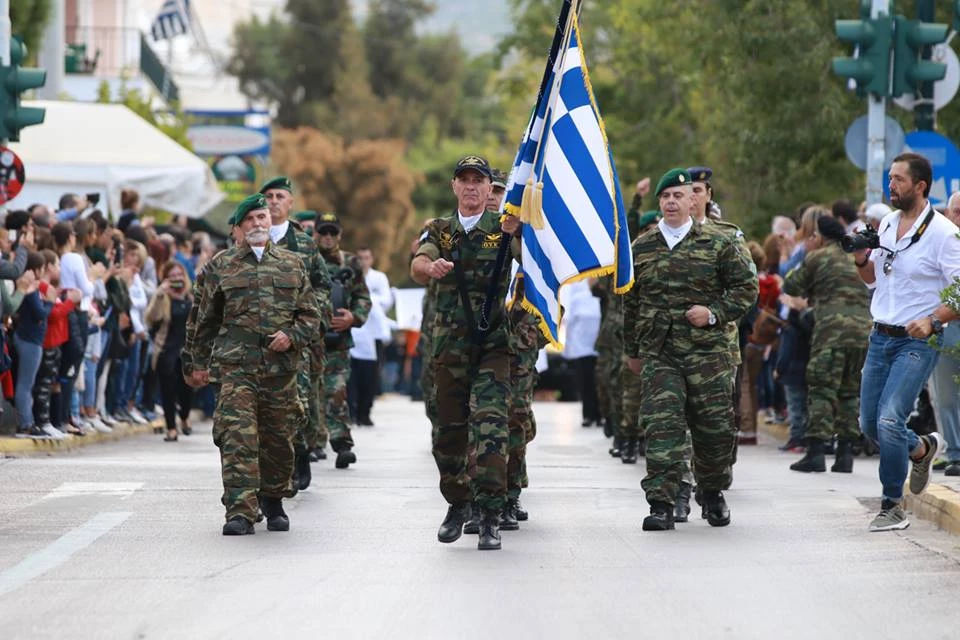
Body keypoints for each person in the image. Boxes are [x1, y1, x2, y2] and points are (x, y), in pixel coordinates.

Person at [623, 168, 758, 532]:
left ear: (693, 200)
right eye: (665, 197)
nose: (671, 202)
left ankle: (712, 491)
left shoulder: (720, 241)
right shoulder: (642, 248)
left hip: (708, 354)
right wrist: (632, 350)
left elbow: (747, 289)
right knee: (662, 426)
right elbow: (631, 303)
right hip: (660, 352)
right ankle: (662, 502)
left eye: (678, 196)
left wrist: (714, 313)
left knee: (713, 430)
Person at [188, 194, 322, 535]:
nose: (258, 224)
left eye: (262, 217)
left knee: (278, 438)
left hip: (280, 372)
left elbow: (311, 315)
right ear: (238, 228)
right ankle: (240, 511)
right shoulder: (221, 266)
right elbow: (202, 321)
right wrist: (196, 364)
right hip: (236, 370)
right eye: (249, 219)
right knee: (238, 438)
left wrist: (291, 335)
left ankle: (273, 499)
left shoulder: (292, 264)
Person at [410, 155, 521, 551]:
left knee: (491, 429)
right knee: (449, 432)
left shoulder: (504, 228)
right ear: (454, 187)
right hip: (449, 349)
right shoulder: (441, 230)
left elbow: (534, 262)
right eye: (464, 180)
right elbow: (418, 263)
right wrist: (430, 267)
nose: (472, 187)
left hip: (492, 347)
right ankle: (459, 504)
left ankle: (490, 513)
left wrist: (518, 232)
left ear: (490, 188)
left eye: (480, 181)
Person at [852, 152, 960, 532]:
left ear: (920, 186)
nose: (890, 185)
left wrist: (932, 320)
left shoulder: (944, 233)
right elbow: (873, 281)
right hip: (880, 336)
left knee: (888, 418)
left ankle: (892, 504)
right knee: (869, 424)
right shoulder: (887, 225)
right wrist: (861, 257)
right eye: (890, 178)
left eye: (898, 179)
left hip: (918, 342)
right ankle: (921, 448)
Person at [784, 215, 871, 473]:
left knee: (822, 390)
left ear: (820, 237)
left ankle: (816, 452)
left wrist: (806, 255)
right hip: (862, 334)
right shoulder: (856, 256)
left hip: (831, 333)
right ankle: (845, 454)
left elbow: (791, 285)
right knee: (849, 393)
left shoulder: (818, 257)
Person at [260, 176, 332, 488]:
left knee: (297, 402)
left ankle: (299, 453)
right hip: (257, 342)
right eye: (269, 196)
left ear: (290, 204)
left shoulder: (304, 244)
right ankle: (271, 472)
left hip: (297, 341)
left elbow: (322, 287)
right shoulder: (247, 239)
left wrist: (308, 324)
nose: (274, 201)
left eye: (280, 196)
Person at [315, 212, 371, 469]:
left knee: (336, 392)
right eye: (323, 233)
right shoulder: (305, 261)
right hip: (308, 341)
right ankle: (309, 445)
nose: (327, 238)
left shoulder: (351, 263)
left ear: (339, 235)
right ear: (315, 234)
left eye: (332, 233)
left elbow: (362, 297)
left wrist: (354, 317)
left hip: (337, 343)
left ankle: (342, 445)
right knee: (307, 396)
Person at [145, 261, 194, 441]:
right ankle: (171, 428)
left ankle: (184, 416)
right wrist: (160, 293)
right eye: (172, 276)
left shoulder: (191, 297)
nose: (176, 279)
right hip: (167, 348)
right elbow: (151, 318)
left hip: (188, 349)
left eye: (179, 275)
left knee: (186, 388)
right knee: (168, 389)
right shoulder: (163, 297)